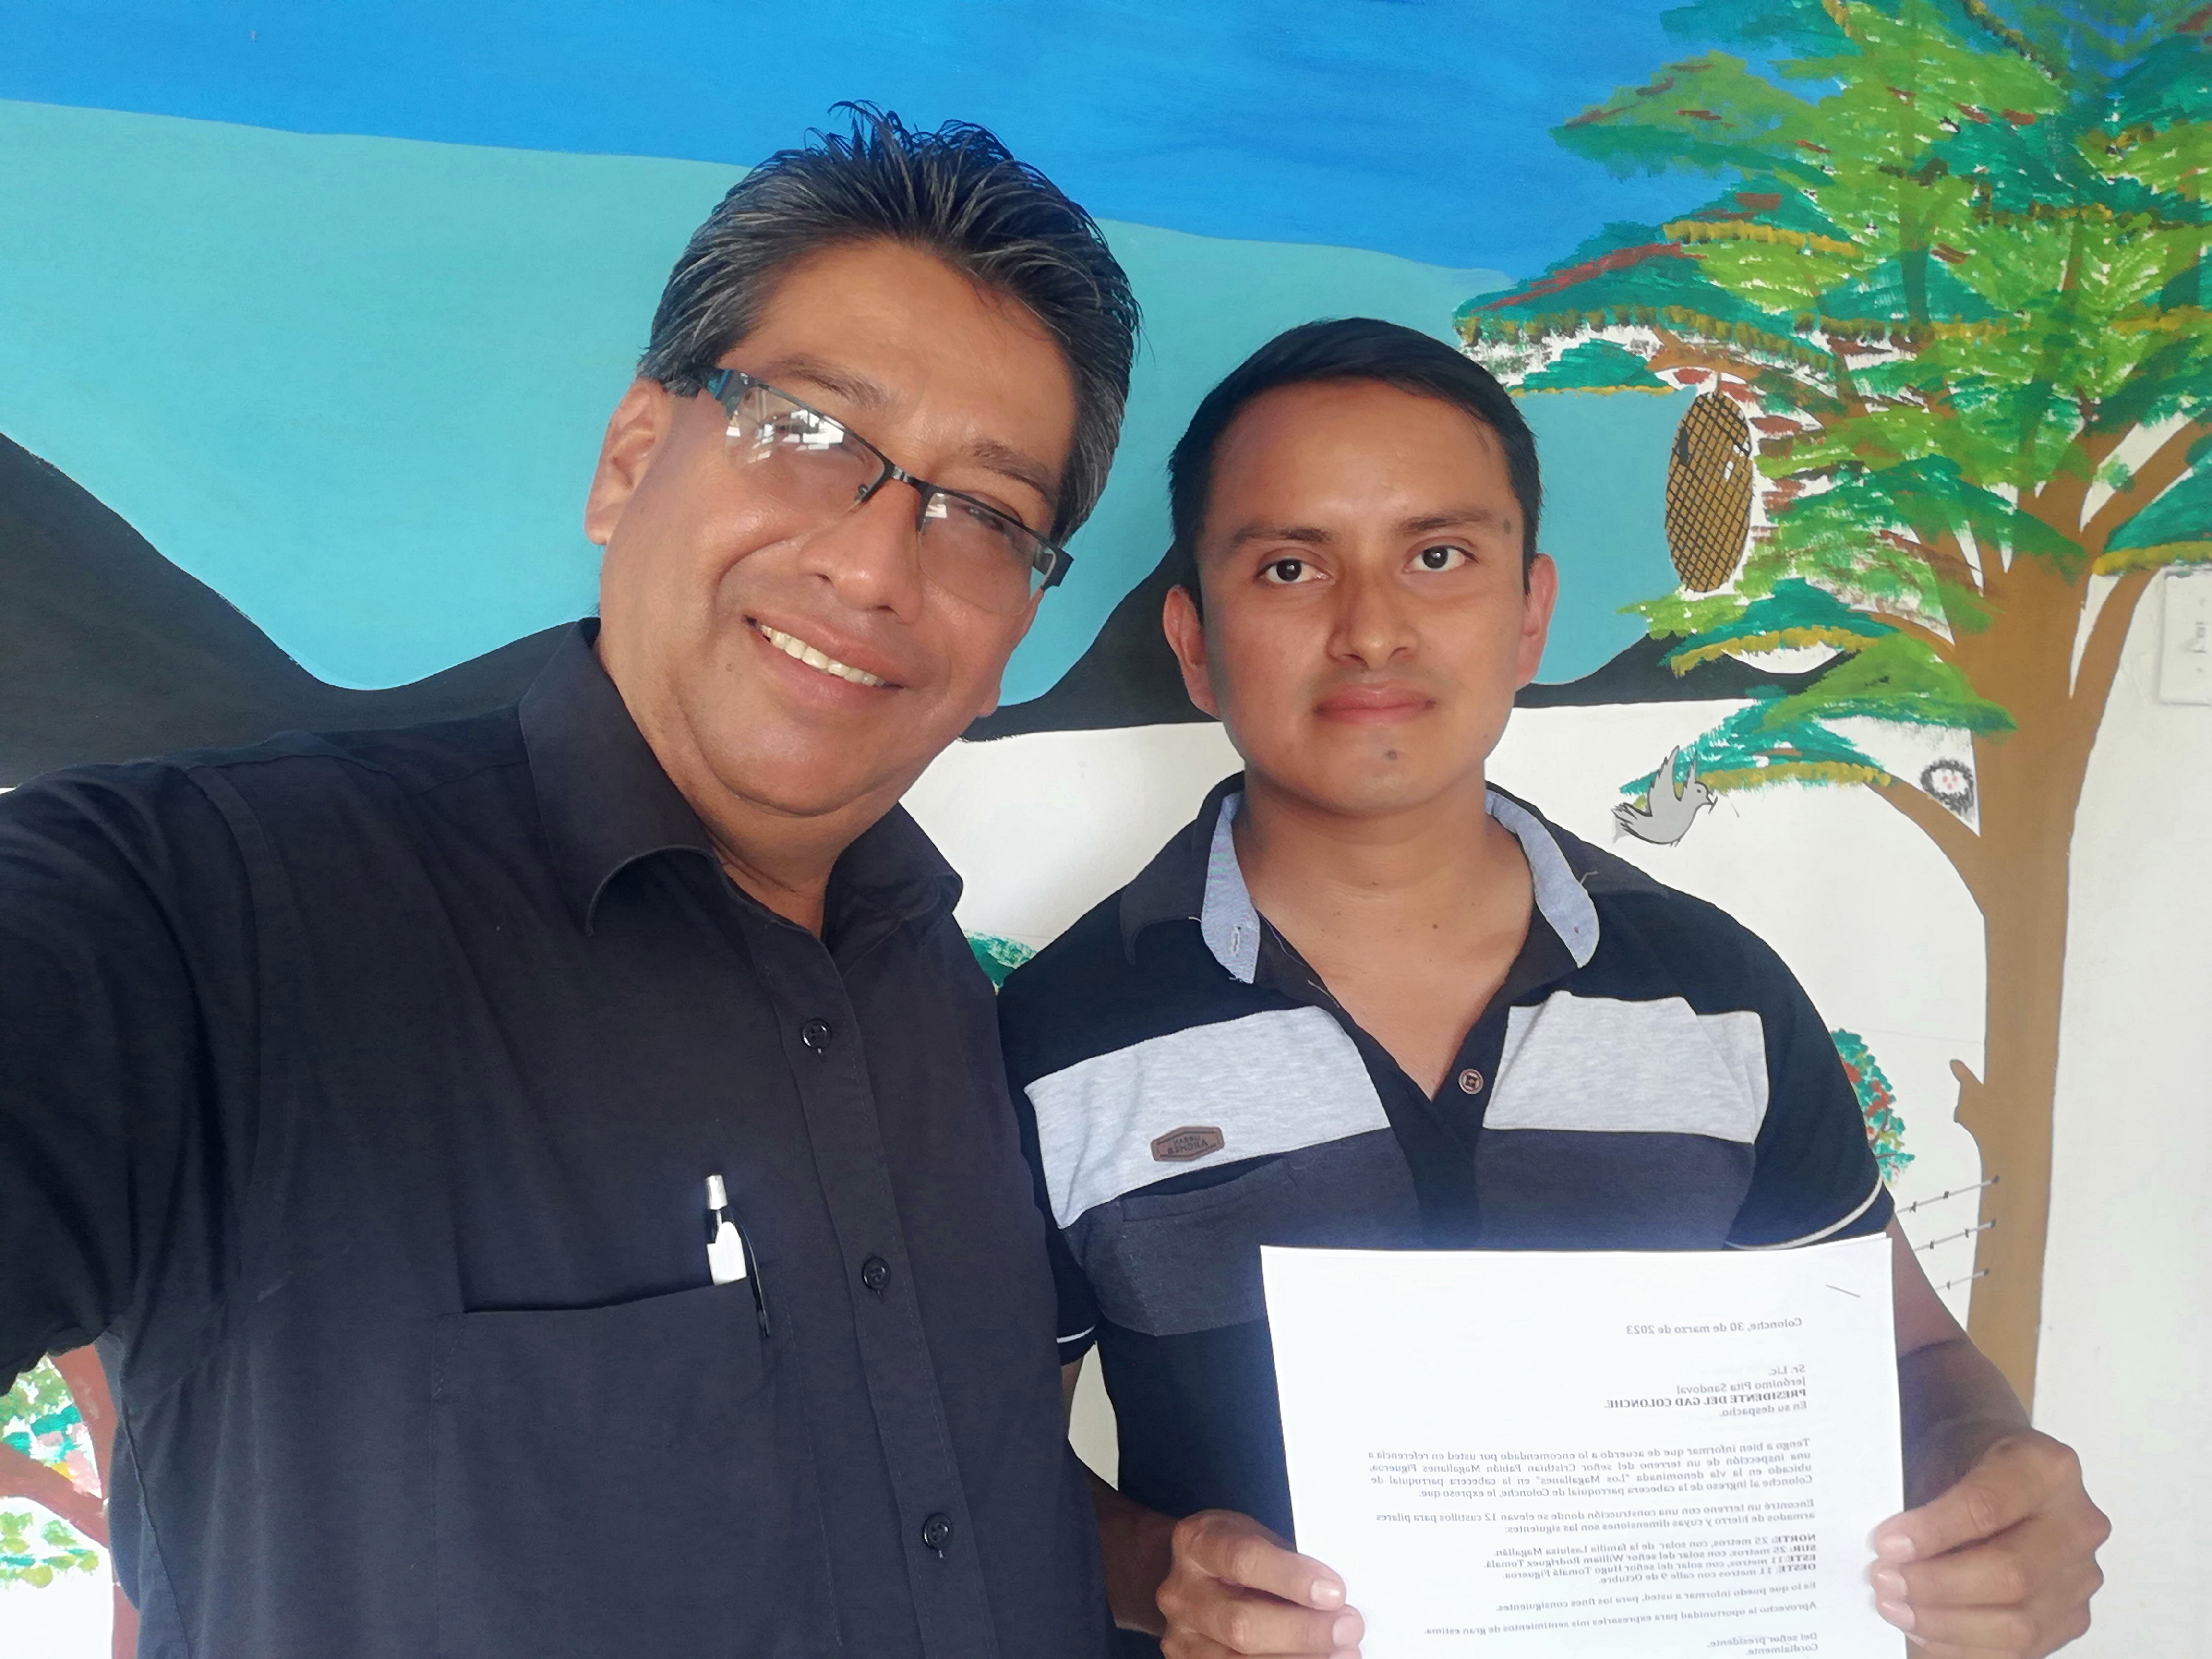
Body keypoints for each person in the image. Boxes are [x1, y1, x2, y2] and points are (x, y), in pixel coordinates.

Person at [0, 109, 1137, 1659]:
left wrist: (1152, 1567)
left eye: (986, 514)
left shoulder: (952, 997)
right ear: (631, 459)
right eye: (809, 431)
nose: (877, 567)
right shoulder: (206, 914)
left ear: (1017, 630)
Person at [997, 319, 2110, 1659]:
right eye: (1290, 567)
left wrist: (1989, 1479)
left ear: (1531, 613)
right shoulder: (1055, 1037)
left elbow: (1911, 1359)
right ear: (1194, 640)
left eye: (1438, 557)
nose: (1371, 631)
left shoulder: (1720, 997)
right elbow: (983, 1456)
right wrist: (1157, 1575)